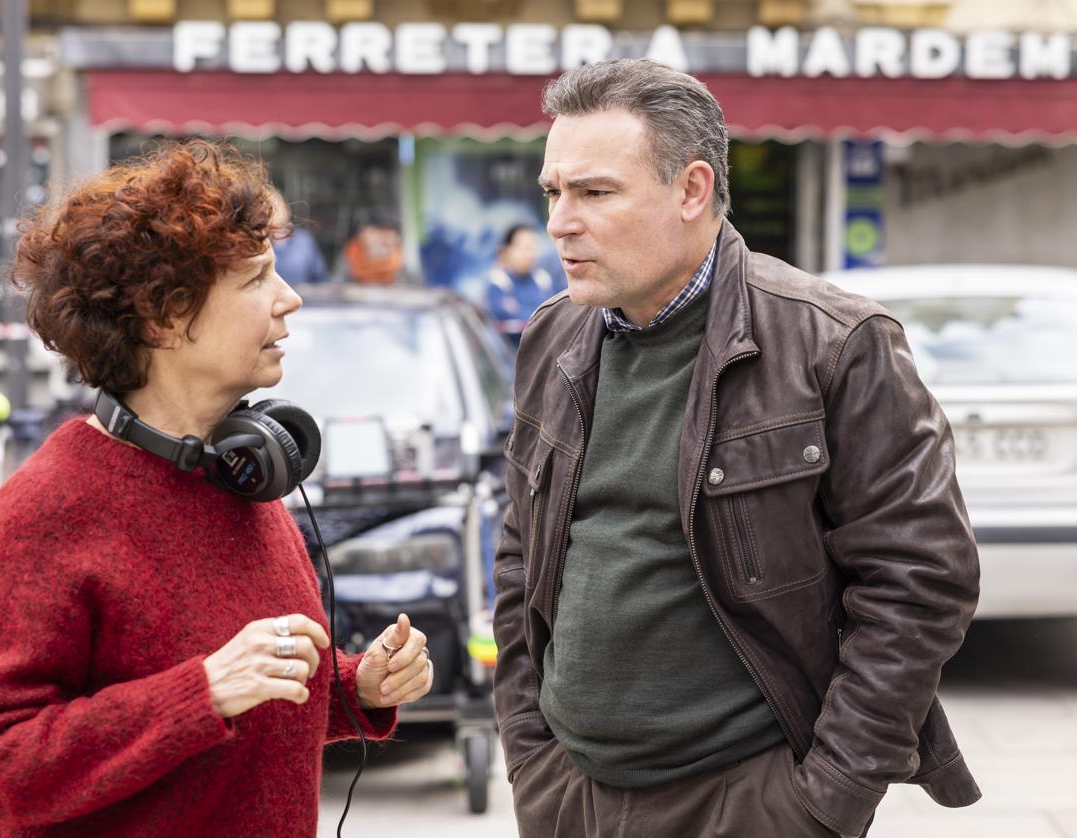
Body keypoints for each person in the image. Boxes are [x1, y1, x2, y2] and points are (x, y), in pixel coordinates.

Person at [493, 59, 980, 838]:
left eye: (594, 192)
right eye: (554, 192)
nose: (559, 222)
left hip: (749, 801)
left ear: (691, 191)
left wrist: (821, 805)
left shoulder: (834, 342)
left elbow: (920, 584)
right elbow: (523, 546)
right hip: (568, 793)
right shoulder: (553, 332)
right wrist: (529, 753)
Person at [0, 141, 434, 837]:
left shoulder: (241, 476)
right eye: (257, 278)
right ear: (164, 316)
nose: (289, 299)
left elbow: (249, 699)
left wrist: (352, 688)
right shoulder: (51, 504)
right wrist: (199, 692)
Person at [485, 225, 555, 347]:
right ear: (506, 251)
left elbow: (555, 316)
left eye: (533, 247)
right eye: (525, 248)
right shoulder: (498, 282)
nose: (531, 254)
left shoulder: (542, 279)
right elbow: (504, 319)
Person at [333, 207, 410, 285]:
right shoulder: (350, 255)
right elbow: (337, 287)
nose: (384, 239)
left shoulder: (399, 261)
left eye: (390, 234)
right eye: (379, 232)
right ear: (363, 234)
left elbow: (409, 289)